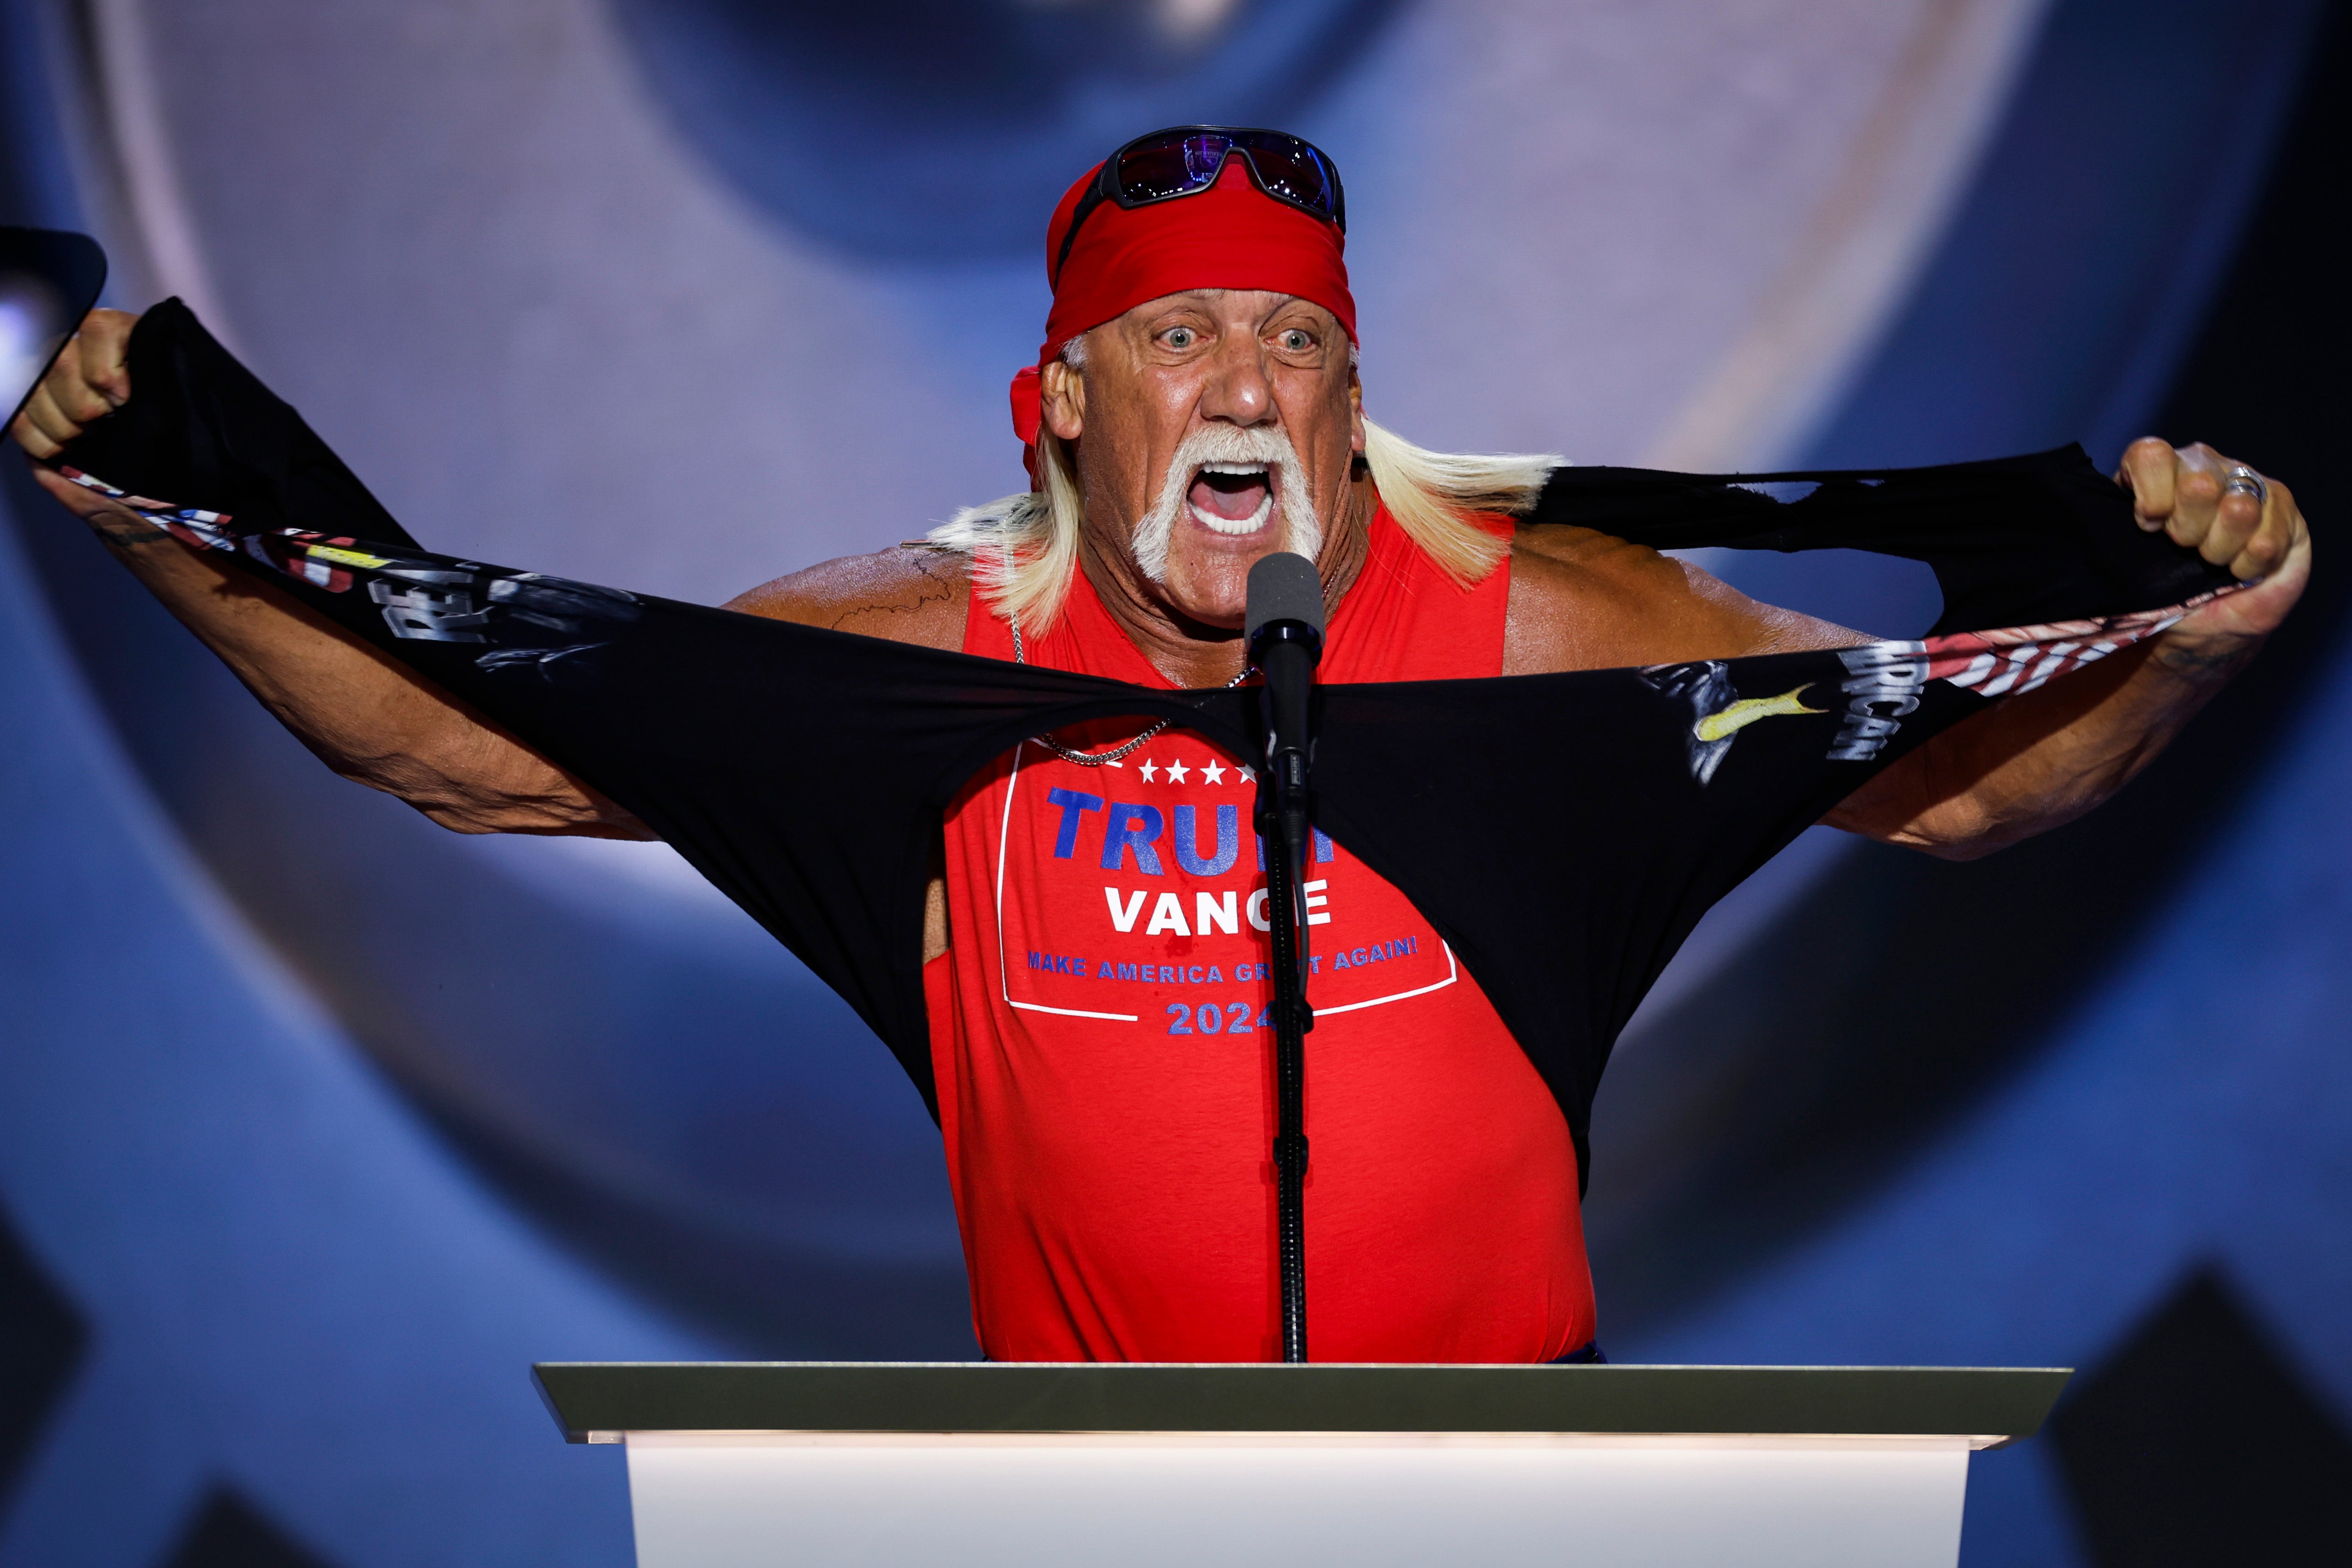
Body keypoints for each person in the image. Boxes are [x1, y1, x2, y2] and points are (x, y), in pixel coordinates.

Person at [10, 127, 2309, 1363]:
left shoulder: (1546, 639)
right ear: (1065, 405)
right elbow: (451, 738)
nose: (1242, 386)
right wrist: (136, 502)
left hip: (1535, 1503)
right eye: (1180, 336)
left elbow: (1987, 779)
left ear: (1344, 395)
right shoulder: (907, 669)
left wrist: (2208, 638)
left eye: (1293, 344)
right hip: (1073, 1517)